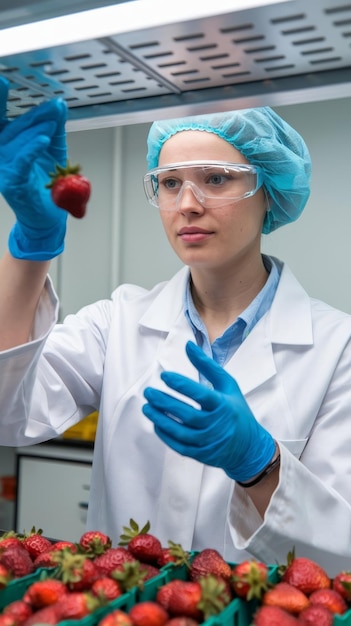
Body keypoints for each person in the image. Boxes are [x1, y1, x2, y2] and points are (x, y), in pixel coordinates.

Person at [0, 75, 351, 577]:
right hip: (124, 607)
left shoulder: (340, 348)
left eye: (215, 178)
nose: (187, 203)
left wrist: (262, 466)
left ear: (269, 191)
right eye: (169, 183)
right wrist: (32, 247)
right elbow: (7, 412)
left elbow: (341, 552)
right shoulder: (116, 322)